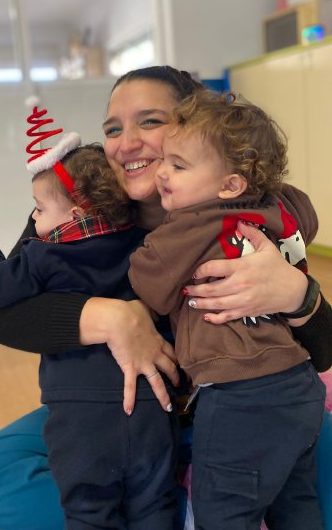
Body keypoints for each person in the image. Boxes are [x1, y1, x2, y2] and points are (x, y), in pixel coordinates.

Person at [0, 66, 332, 530]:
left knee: (313, 466)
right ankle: (183, 507)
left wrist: (297, 294)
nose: (126, 143)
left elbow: (324, 351)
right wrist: (111, 318)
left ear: (194, 128)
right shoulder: (78, 201)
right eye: (113, 129)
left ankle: (179, 503)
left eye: (150, 121)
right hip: (116, 413)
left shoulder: (244, 205)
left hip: (237, 407)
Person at [128, 90, 326, 529]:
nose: (163, 173)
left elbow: (149, 283)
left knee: (223, 513)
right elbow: (307, 217)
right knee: (297, 503)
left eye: (179, 166)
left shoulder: (188, 226)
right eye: (165, 160)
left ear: (230, 184)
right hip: (300, 385)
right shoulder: (277, 206)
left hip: (241, 396)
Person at [0, 139, 179, 528]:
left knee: (89, 510)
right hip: (150, 403)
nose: (34, 219)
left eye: (38, 209)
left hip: (81, 414)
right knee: (154, 503)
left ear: (76, 214)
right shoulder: (141, 244)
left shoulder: (41, 255)